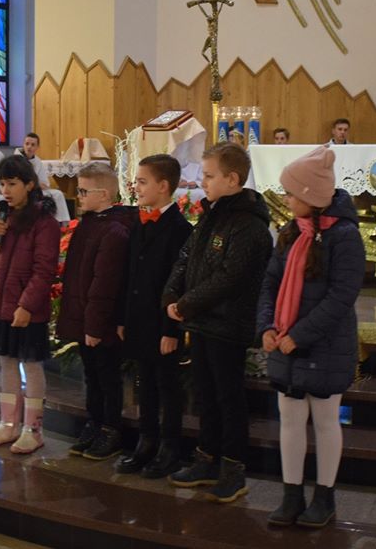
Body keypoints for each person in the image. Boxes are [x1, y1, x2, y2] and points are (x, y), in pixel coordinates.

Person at [257, 146, 365, 528]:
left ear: (310, 195)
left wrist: (300, 335)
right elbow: (270, 283)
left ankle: (324, 496)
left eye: (291, 193)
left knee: (325, 420)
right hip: (286, 340)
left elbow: (342, 296)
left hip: (326, 344)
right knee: (289, 418)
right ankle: (291, 496)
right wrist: (267, 326)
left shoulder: (345, 236)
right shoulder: (291, 232)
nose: (286, 199)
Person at [163, 143, 273, 504]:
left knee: (228, 398)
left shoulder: (250, 225)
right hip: (202, 321)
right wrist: (171, 293)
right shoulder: (212, 214)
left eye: (209, 176)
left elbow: (230, 277)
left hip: (228, 324)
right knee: (205, 395)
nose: (202, 182)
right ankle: (206, 460)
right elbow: (186, 257)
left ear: (232, 179)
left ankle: (233, 469)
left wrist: (186, 303)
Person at [0, 155, 60, 454]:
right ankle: (8, 424)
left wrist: (26, 306)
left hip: (26, 307)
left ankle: (33, 430)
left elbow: (44, 269)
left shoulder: (44, 223)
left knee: (31, 366)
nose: (5, 191)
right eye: (1, 184)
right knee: (7, 364)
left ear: (29, 184)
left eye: (12, 184)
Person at [115, 155, 193, 479]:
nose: (136, 186)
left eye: (142, 181)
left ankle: (170, 447)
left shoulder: (181, 229)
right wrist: (123, 318)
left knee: (167, 386)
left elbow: (179, 284)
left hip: (163, 324)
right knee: (144, 383)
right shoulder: (139, 222)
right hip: (139, 320)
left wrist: (171, 330)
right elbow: (129, 274)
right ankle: (146, 442)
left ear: (163, 186)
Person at [57, 162, 136, 460]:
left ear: (103, 194)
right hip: (85, 316)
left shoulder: (115, 230)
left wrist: (93, 325)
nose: (78, 197)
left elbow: (105, 283)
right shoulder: (90, 223)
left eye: (83, 191)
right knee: (92, 375)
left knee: (107, 377)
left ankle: (110, 429)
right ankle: (94, 422)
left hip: (101, 322)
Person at [15, 132, 72, 223]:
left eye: (33, 145)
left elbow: (44, 183)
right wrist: (35, 184)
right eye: (27, 144)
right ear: (23, 144)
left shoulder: (37, 161)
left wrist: (41, 185)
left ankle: (62, 223)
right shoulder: (16, 160)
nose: (29, 147)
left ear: (37, 147)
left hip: (36, 190)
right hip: (23, 191)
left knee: (58, 194)